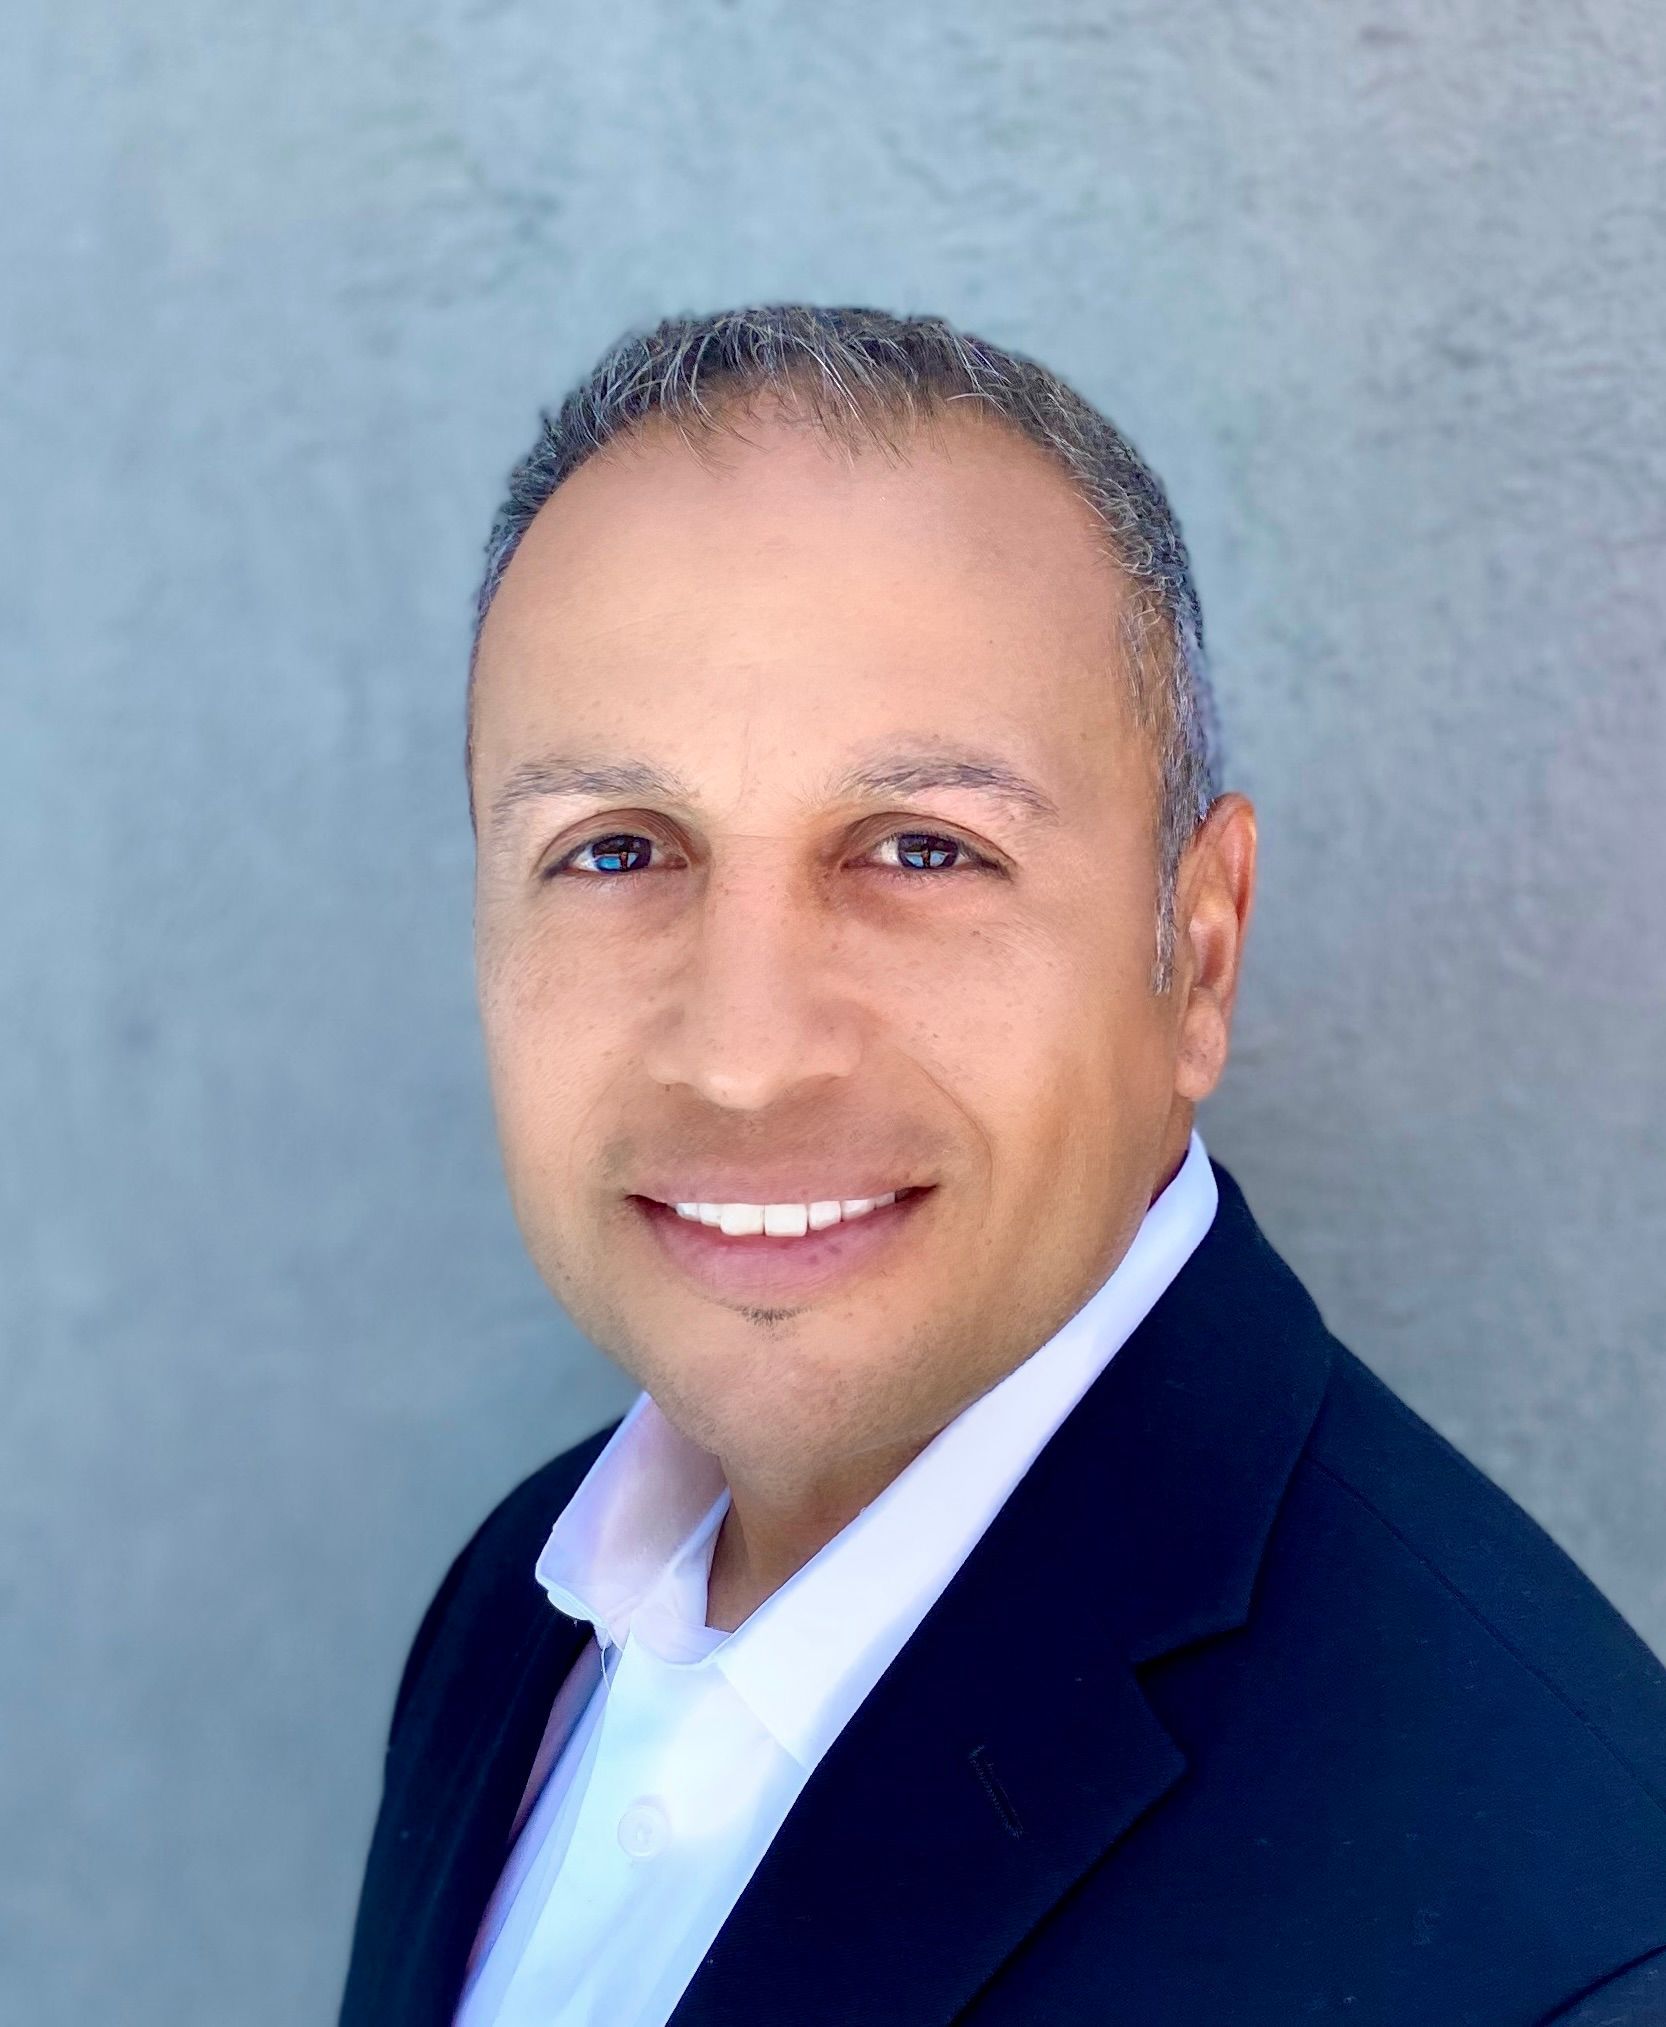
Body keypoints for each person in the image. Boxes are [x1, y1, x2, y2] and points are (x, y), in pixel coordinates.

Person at [338, 304, 1666, 2027]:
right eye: (614, 849)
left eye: (918, 849)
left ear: (1193, 953)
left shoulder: (1562, 1949)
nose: (744, 1053)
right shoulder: (515, 1616)